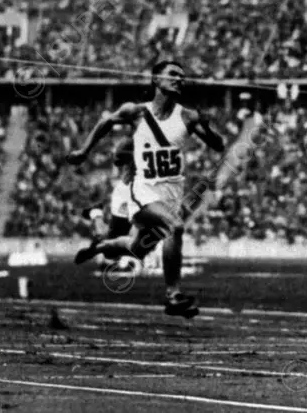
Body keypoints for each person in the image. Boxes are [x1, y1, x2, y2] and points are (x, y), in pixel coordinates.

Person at [66, 60, 225, 318]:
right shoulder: (136, 111)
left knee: (136, 248)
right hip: (143, 192)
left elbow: (217, 146)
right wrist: (84, 151)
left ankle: (99, 247)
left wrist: (207, 126)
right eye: (173, 74)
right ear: (156, 80)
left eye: (182, 77)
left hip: (171, 194)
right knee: (175, 226)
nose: (179, 79)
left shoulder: (187, 116)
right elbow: (106, 122)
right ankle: (173, 295)